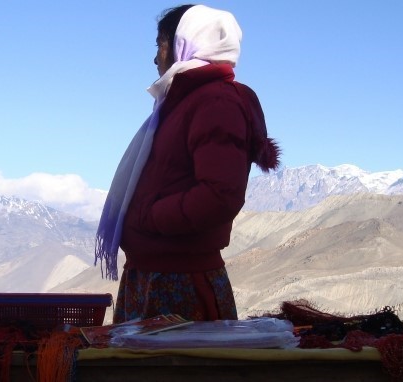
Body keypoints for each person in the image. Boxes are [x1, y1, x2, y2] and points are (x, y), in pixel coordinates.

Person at [95, 4, 280, 323]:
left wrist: (149, 216)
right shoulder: (181, 103)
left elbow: (219, 195)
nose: (155, 58)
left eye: (160, 44)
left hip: (181, 284)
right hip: (155, 275)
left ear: (185, 43)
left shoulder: (215, 102)